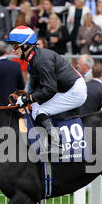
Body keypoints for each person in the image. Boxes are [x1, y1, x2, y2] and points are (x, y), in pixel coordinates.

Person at [6, 25, 88, 157]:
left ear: (26, 45)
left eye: (15, 45)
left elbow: (49, 89)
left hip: (74, 90)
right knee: (35, 106)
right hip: (69, 86)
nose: (13, 49)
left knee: (39, 110)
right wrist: (25, 99)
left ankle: (57, 145)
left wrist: (28, 99)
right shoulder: (33, 59)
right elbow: (38, 88)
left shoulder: (40, 60)